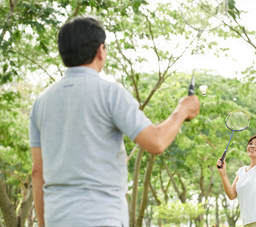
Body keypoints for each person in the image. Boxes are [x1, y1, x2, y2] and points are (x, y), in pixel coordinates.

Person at [29, 17, 200, 227]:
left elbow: (38, 171)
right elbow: (156, 142)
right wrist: (182, 110)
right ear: (101, 51)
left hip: (58, 219)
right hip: (102, 218)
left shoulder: (41, 102)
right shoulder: (111, 93)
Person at [216, 104, 256, 227]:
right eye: (250, 143)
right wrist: (223, 174)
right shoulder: (241, 171)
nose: (252, 146)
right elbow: (231, 195)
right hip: (248, 222)